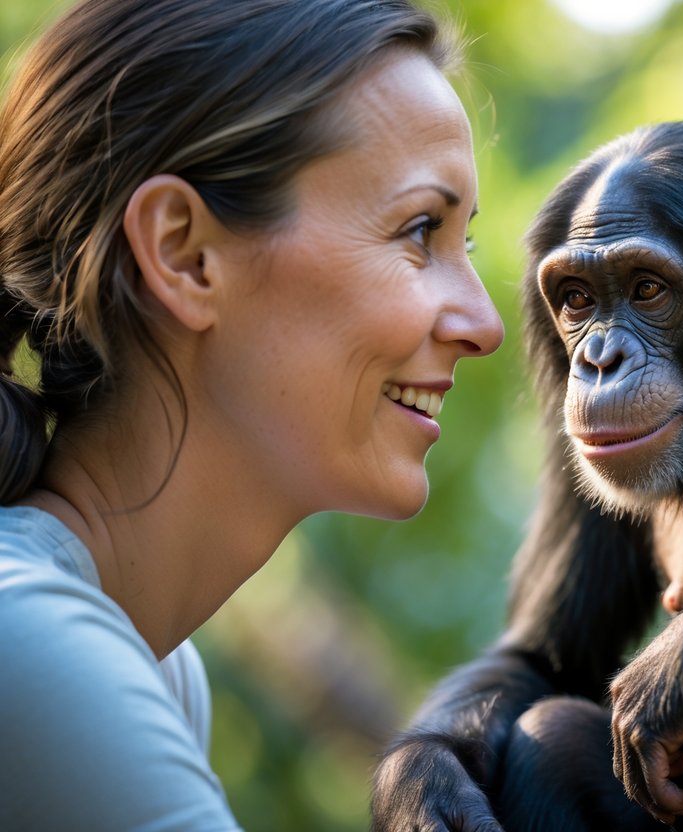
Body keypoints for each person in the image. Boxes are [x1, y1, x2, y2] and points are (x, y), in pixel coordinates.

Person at [0, 0, 503, 827]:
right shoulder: (37, 643)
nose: (484, 325)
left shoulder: (156, 667)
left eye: (465, 244)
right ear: (183, 255)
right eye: (418, 231)